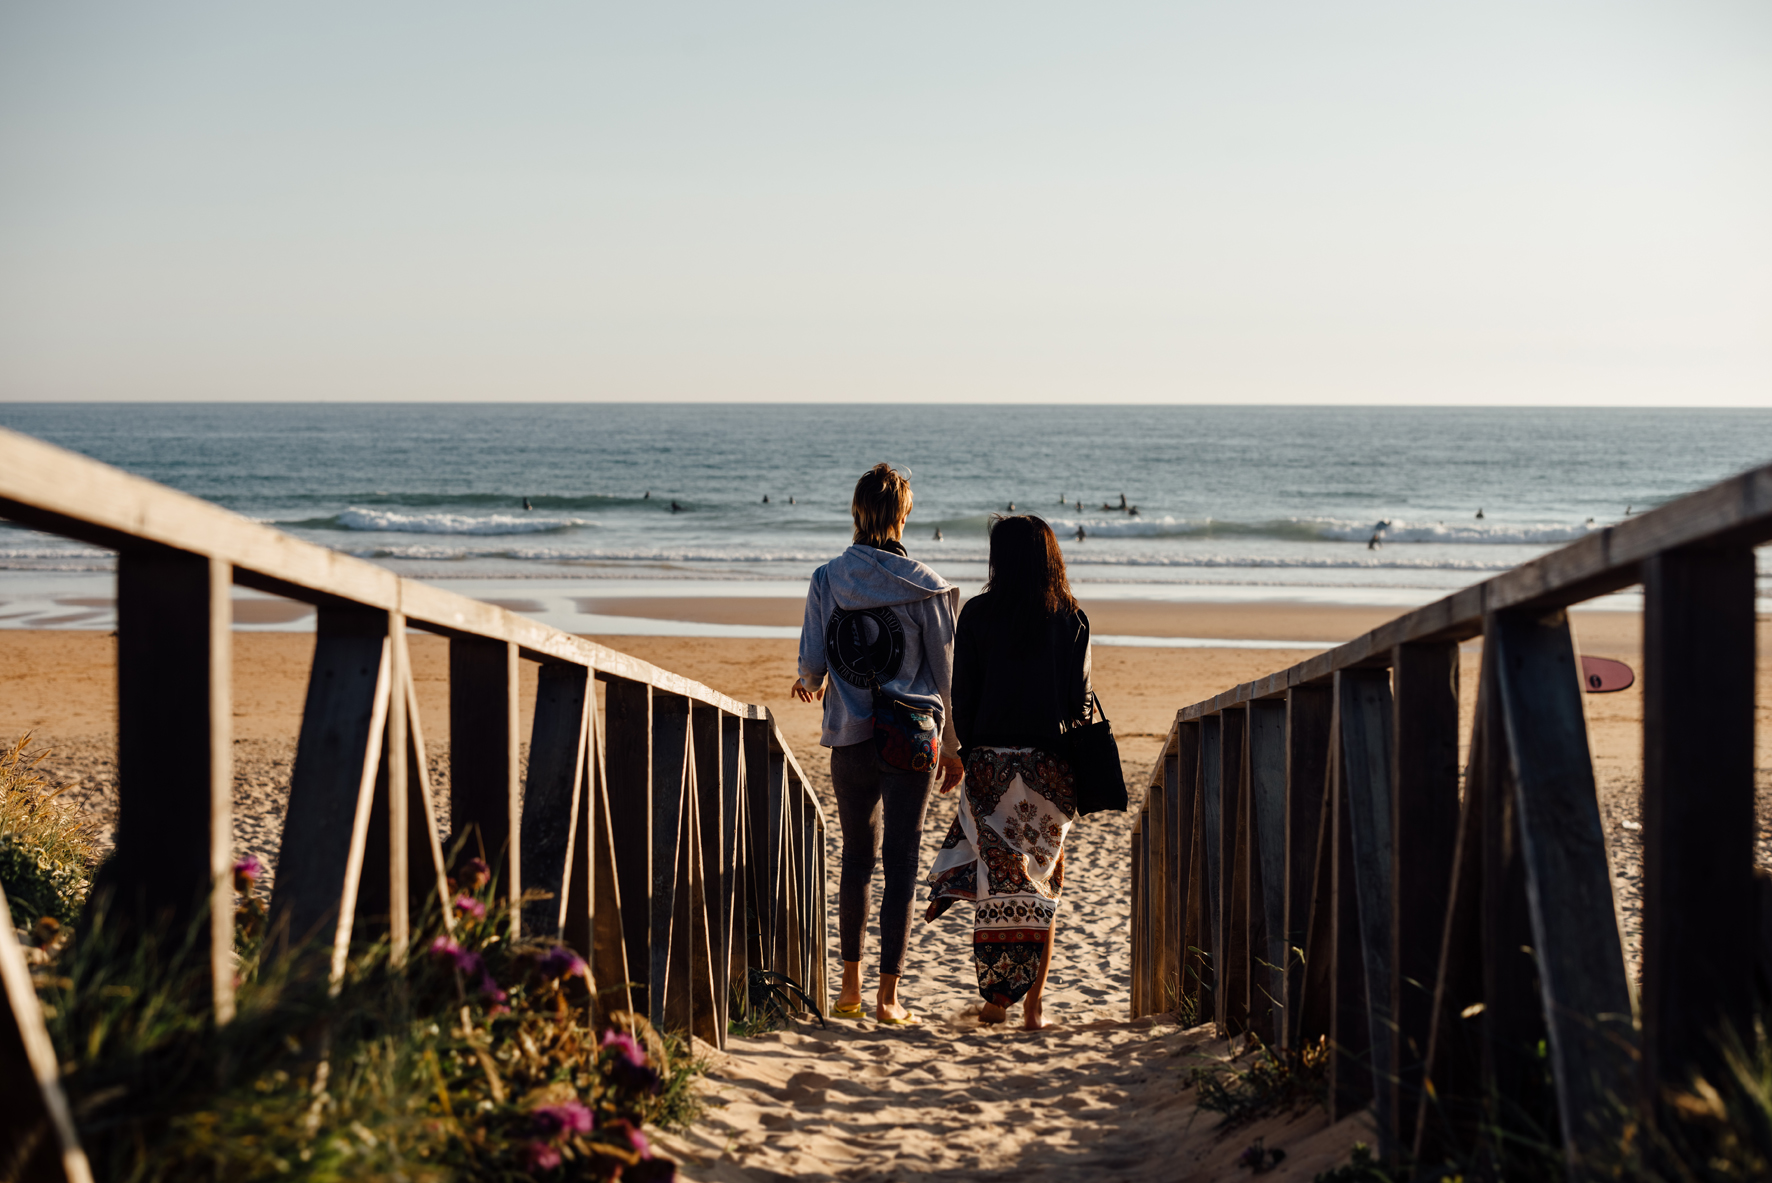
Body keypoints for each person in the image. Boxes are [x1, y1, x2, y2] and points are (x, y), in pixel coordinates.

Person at [793, 464, 964, 1025]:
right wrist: (957, 745)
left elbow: (815, 661)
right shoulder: (927, 586)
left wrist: (811, 681)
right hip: (912, 741)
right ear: (903, 515)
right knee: (902, 863)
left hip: (850, 738)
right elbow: (947, 675)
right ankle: (890, 999)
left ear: (857, 512)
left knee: (857, 863)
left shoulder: (827, 578)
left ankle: (849, 990)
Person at [926, 515, 1090, 1030]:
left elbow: (963, 696)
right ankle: (1034, 1006)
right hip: (1049, 770)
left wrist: (972, 750)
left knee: (999, 886)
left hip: (991, 767)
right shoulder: (1071, 618)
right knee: (1043, 885)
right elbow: (1080, 703)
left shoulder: (976, 614)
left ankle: (997, 1002)